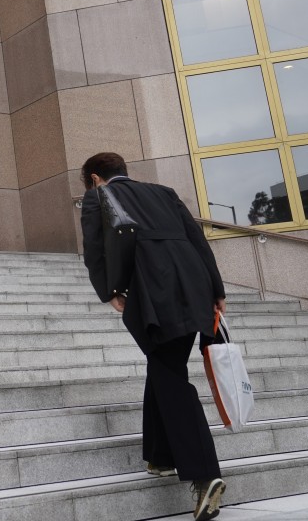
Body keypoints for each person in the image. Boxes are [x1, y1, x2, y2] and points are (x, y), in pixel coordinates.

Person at [79, 152, 228, 521]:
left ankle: (204, 474)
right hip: (193, 284)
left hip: (153, 293)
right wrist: (216, 289)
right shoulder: (164, 192)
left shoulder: (97, 197)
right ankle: (160, 457)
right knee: (164, 365)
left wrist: (109, 290)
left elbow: (95, 250)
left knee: (170, 375)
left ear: (96, 178)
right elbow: (198, 239)